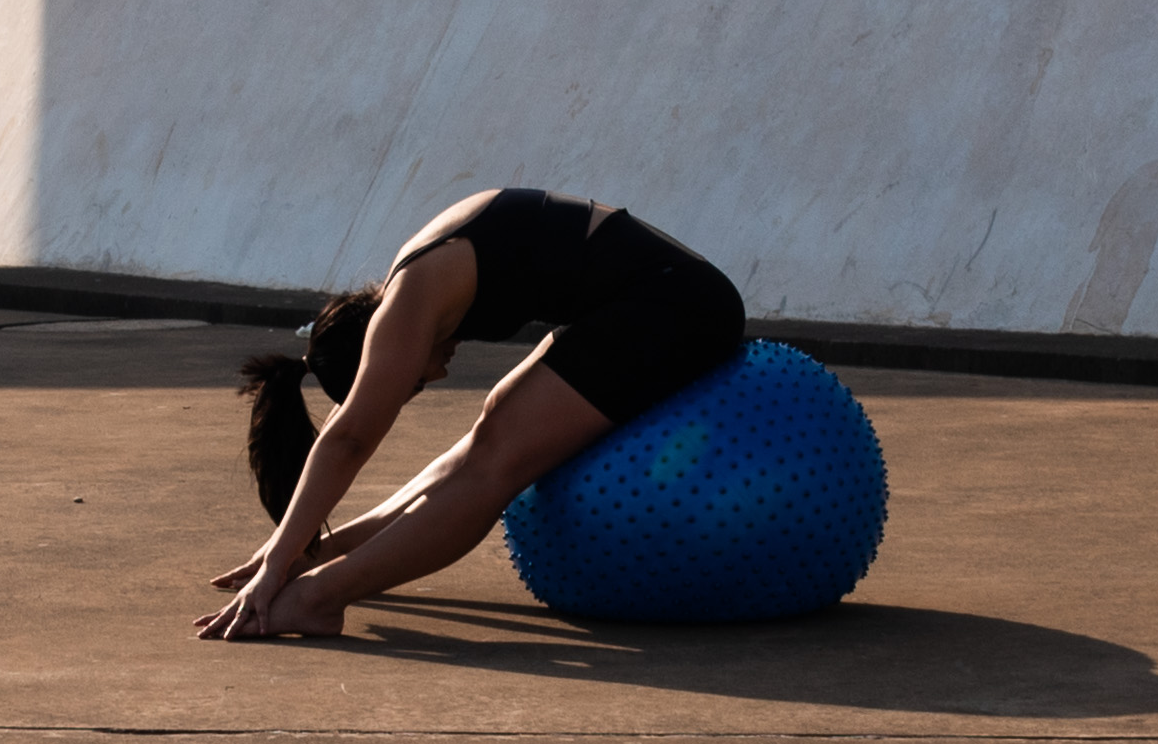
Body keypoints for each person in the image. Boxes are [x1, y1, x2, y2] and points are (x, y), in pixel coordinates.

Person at [202, 186, 751, 642]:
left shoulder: (409, 302)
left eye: (415, 382)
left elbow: (349, 439)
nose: (437, 378)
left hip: (676, 306)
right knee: (485, 437)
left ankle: (318, 599)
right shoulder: (420, 274)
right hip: (649, 299)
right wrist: (307, 549)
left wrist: (275, 561)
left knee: (495, 466)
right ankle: (328, 562)